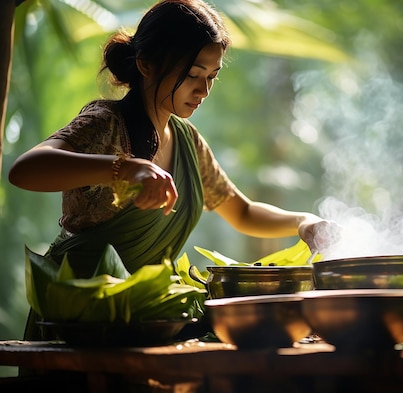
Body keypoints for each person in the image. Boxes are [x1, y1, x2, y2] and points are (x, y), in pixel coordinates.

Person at [8, 0, 337, 340]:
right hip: (77, 320)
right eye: (193, 74)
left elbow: (242, 211)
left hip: (145, 319)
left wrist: (304, 222)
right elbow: (26, 170)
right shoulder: (105, 124)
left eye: (212, 76)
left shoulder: (187, 142)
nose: (204, 90)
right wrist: (123, 169)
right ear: (146, 64)